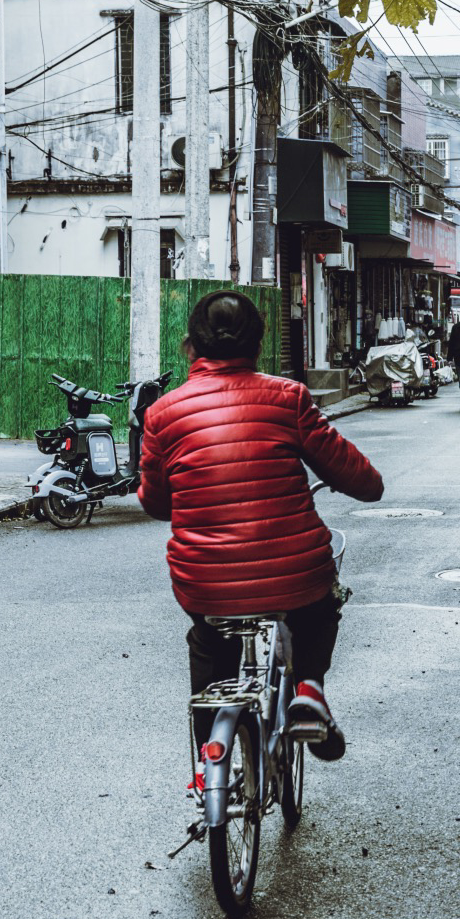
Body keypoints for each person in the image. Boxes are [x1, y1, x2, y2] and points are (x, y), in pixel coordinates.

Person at [139, 291, 384, 765]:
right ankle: (310, 689)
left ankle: (210, 763)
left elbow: (155, 504)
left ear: (190, 347)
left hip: (204, 581)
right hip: (293, 575)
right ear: (257, 345)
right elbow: (363, 482)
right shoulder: (287, 398)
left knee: (209, 643)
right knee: (320, 605)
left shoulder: (161, 414)